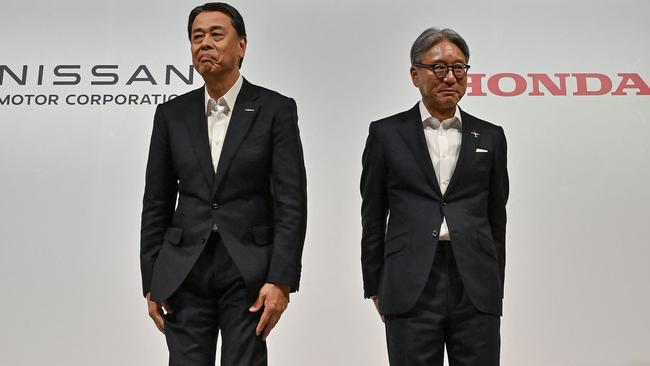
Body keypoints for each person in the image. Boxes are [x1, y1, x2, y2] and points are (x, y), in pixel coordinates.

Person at [140, 3, 307, 365]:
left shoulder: (275, 109)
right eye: (197, 37)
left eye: (217, 34)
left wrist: (281, 278)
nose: (205, 44)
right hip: (184, 267)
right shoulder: (171, 114)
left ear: (242, 45)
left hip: (248, 267)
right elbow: (157, 200)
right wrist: (152, 278)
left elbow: (291, 202)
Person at [360, 27, 509, 366]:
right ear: (415, 74)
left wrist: (494, 282)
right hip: (409, 281)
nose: (451, 77)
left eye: (459, 68)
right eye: (439, 68)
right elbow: (372, 214)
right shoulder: (385, 134)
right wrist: (375, 284)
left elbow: (495, 217)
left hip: (474, 282)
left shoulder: (491, 136)